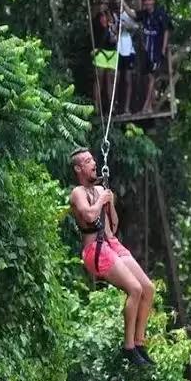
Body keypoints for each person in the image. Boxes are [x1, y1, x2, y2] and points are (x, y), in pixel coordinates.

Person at [69, 148, 155, 367]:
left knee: (148, 288)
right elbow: (89, 215)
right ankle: (128, 347)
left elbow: (113, 227)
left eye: (92, 160)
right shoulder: (78, 192)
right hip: (94, 250)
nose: (93, 163)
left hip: (110, 243)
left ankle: (139, 342)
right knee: (134, 289)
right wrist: (100, 201)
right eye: (88, 161)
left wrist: (110, 203)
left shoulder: (100, 189)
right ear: (79, 168)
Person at [122, 0, 173, 113]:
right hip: (146, 52)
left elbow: (166, 30)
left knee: (152, 78)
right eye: (145, 0)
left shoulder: (160, 14)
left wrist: (163, 48)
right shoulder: (144, 14)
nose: (148, 2)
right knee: (148, 78)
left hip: (156, 51)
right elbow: (132, 15)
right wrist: (123, 3)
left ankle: (147, 107)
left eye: (150, 0)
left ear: (154, 1)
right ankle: (149, 106)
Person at [91, 0, 118, 114]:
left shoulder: (112, 14)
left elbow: (114, 28)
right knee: (99, 79)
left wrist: (108, 12)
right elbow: (96, 26)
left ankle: (111, 107)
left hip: (112, 51)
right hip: (100, 50)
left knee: (110, 81)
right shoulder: (96, 14)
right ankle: (97, 106)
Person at [115, 0, 139, 114]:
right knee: (117, 80)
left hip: (128, 50)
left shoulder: (129, 13)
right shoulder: (113, 14)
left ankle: (127, 108)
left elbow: (136, 26)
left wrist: (127, 26)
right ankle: (116, 107)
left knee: (128, 79)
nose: (119, 1)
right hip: (116, 50)